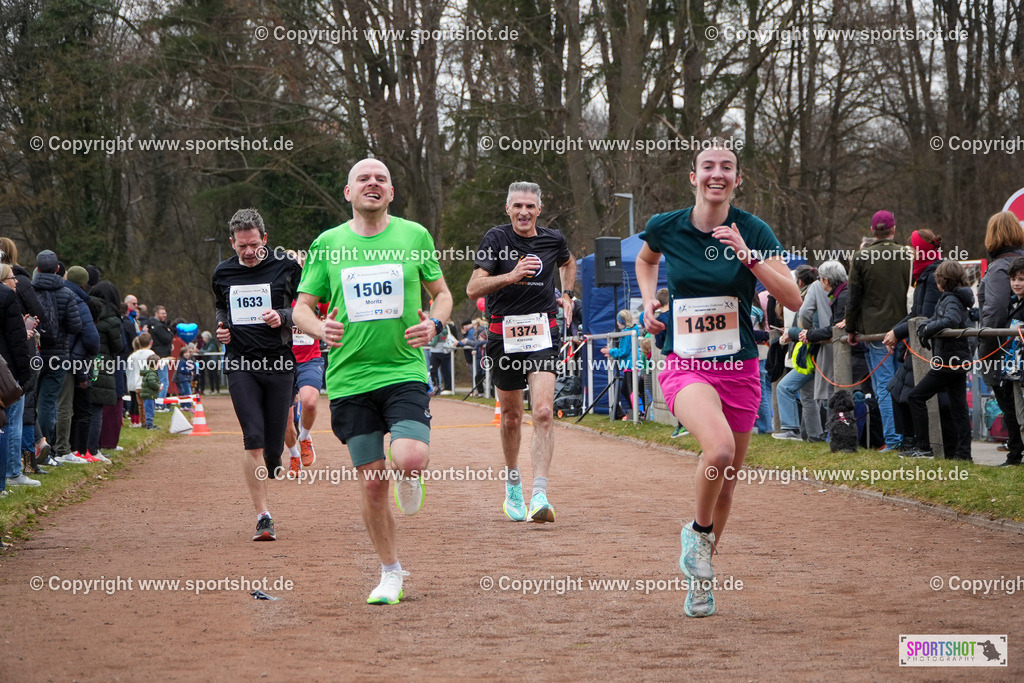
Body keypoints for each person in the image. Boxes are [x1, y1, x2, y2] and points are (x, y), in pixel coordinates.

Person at [636, 141, 801, 618]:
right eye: (707, 166)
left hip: (740, 367)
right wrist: (649, 301)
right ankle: (697, 534)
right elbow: (647, 261)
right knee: (720, 449)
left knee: (727, 484)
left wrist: (749, 257)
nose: (716, 174)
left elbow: (792, 298)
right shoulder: (666, 226)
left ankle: (702, 571)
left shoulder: (754, 230)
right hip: (685, 364)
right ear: (694, 177)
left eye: (726, 167)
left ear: (737, 178)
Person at [294, 157, 452, 605]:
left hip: (402, 370)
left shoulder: (413, 235)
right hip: (350, 379)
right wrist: (318, 328)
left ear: (391, 192)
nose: (372, 183)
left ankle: (409, 473)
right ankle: (390, 572)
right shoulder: (328, 244)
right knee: (370, 483)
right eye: (363, 178)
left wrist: (436, 325)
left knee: (411, 457)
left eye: (380, 178)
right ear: (348, 192)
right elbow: (303, 307)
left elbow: (442, 294)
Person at [466, 181, 576, 524]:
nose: (524, 212)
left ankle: (540, 493)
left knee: (543, 411)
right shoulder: (496, 239)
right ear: (508, 209)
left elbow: (568, 263)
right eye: (518, 206)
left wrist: (567, 294)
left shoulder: (553, 239)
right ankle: (513, 482)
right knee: (512, 417)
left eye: (530, 206)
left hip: (543, 332)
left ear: (539, 209)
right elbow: (472, 288)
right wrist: (511, 275)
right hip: (503, 335)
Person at [213, 208, 302, 542]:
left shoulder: (286, 267)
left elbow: (307, 308)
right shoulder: (222, 273)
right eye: (241, 247)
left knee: (272, 447)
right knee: (253, 436)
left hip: (279, 363)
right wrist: (221, 327)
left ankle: (275, 455)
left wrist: (283, 315)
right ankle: (263, 516)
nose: (248, 252)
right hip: (240, 363)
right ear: (232, 243)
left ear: (264, 239)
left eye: (253, 245)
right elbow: (222, 308)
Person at [844, 210, 913, 452]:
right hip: (904, 327)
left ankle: (894, 439)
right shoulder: (907, 254)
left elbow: (853, 297)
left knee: (884, 385)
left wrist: (851, 328)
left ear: (873, 232)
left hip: (875, 331)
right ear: (893, 230)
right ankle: (909, 438)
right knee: (904, 384)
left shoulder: (862, 257)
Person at [884, 230, 945, 453]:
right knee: (895, 389)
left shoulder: (933, 276)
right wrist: (894, 331)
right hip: (915, 344)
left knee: (909, 394)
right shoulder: (923, 276)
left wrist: (898, 333)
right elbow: (914, 314)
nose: (909, 252)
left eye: (912, 248)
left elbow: (925, 316)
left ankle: (922, 444)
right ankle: (908, 439)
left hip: (927, 349)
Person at [907, 260, 974, 461]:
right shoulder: (953, 298)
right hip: (956, 359)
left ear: (942, 282)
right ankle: (962, 455)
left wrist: (928, 329)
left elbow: (950, 320)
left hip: (948, 361)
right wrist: (928, 323)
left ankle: (924, 447)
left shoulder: (951, 299)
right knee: (958, 407)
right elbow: (938, 317)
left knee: (916, 396)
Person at [977, 211, 1024, 467]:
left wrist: (984, 337)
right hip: (1015, 343)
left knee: (1008, 401)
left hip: (1004, 347)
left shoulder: (999, 267)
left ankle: (1015, 453)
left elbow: (994, 309)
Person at [774, 265, 825, 441]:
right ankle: (814, 436)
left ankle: (791, 428)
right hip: (810, 353)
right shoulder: (812, 294)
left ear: (800, 281)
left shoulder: (810, 297)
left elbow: (812, 327)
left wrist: (792, 333)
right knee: (808, 396)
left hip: (812, 354)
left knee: (784, 387)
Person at [285, 281, 327, 476]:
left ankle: (305, 438)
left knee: (309, 402)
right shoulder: (280, 296)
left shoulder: (318, 298)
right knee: (286, 423)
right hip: (282, 362)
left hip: (310, 359)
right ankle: (294, 455)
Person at [0, 263, 36, 490]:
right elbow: (16, 340)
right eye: (13, 277)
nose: (17, 282)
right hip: (7, 369)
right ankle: (12, 472)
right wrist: (24, 373)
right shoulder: (7, 297)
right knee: (11, 422)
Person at [602, 309, 640, 419]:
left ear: (621, 321)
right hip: (631, 364)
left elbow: (624, 351)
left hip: (630, 365)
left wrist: (610, 351)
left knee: (630, 390)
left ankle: (638, 413)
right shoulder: (633, 330)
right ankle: (635, 411)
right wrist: (613, 353)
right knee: (625, 390)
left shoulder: (626, 333)